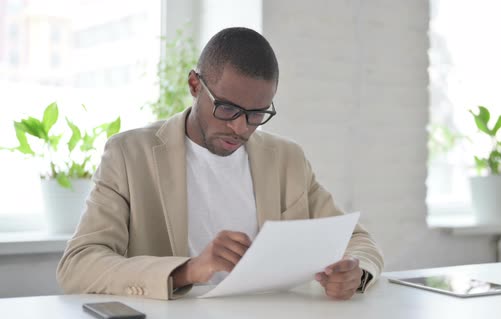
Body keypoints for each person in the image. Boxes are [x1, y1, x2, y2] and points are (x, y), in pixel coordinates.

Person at [57, 27, 384, 301]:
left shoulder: (287, 159)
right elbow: (78, 264)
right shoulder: (129, 154)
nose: (241, 128)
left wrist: (356, 272)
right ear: (195, 86)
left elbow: (358, 239)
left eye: (257, 114)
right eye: (227, 108)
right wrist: (188, 270)